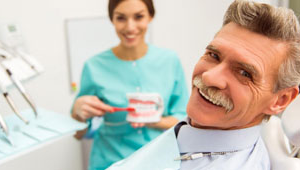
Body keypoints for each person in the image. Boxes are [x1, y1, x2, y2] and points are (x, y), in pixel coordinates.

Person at [106, 0, 300, 169]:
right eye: (214, 55)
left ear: (281, 100)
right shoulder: (195, 134)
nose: (209, 78)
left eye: (244, 73)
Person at [71, 0, 189, 169]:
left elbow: (184, 120)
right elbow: (78, 134)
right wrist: (78, 114)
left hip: (158, 161)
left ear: (150, 16)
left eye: (139, 17)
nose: (130, 27)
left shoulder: (170, 61)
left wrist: (153, 121)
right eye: (121, 18)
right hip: (109, 162)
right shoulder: (94, 66)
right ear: (112, 19)